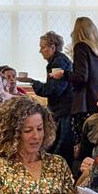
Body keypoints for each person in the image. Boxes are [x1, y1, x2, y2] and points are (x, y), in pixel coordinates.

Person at [50, 17, 98, 149]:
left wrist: (63, 74)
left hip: (85, 104)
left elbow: (81, 77)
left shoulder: (81, 47)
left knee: (83, 147)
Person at [18, 31, 74, 166]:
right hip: (63, 110)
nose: (40, 51)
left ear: (53, 47)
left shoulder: (58, 62)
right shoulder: (57, 61)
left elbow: (53, 90)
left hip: (63, 112)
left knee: (58, 150)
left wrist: (32, 81)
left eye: (42, 47)